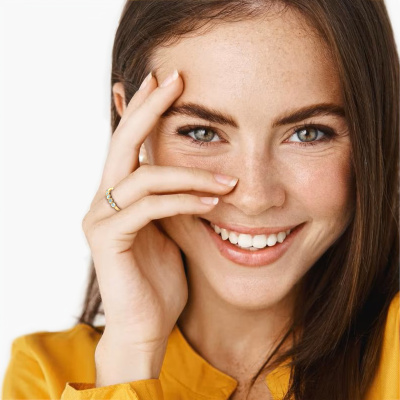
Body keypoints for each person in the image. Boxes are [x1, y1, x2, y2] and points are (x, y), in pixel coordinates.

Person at [2, 0, 399, 399]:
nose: (254, 198)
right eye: (202, 133)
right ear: (131, 124)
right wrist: (132, 354)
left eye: (308, 133)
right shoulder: (45, 375)